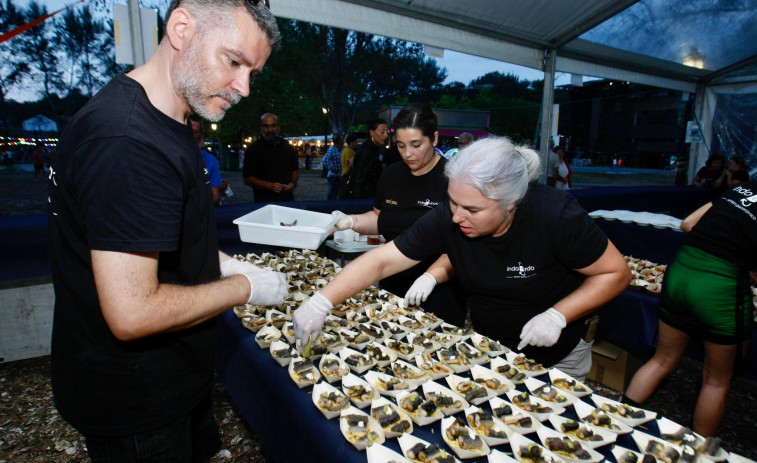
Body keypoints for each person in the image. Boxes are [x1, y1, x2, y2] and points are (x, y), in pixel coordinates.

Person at [46, 1, 287, 461]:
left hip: (175, 377)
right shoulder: (127, 141)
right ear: (181, 28)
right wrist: (242, 286)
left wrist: (221, 261)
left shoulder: (172, 118)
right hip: (135, 398)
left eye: (253, 72)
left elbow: (156, 231)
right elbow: (132, 313)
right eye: (234, 62)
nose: (244, 88)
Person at [295, 137, 630, 378]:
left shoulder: (556, 216)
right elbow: (382, 260)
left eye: (471, 209)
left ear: (510, 203)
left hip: (559, 354)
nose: (457, 217)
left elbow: (615, 273)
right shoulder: (449, 215)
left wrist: (558, 316)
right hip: (492, 345)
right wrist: (321, 302)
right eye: (453, 202)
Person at [625, 181, 757, 436]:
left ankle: (619, 424)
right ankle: (700, 451)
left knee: (662, 360)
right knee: (716, 381)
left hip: (682, 271)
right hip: (719, 284)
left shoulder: (743, 189)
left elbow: (687, 224)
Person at [331, 104, 466, 324]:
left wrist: (431, 277)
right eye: (401, 146)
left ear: (434, 138)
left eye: (416, 145)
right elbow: (380, 218)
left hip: (438, 288)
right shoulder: (392, 174)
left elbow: (461, 244)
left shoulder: (453, 179)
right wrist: (350, 221)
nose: (408, 154)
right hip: (393, 280)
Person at [243, 113, 299, 202]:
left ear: (278, 127)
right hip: (263, 201)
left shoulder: (288, 147)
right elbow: (247, 178)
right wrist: (269, 185)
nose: (270, 130)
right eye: (266, 126)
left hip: (287, 199)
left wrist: (293, 183)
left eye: (273, 126)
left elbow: (294, 169)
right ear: (261, 128)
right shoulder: (253, 150)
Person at [190, 115, 228, 205]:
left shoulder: (210, 160)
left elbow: (215, 198)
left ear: (201, 134)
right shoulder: (171, 156)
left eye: (193, 132)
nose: (189, 135)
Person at [351, 117, 388, 199]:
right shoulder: (367, 151)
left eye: (387, 132)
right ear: (371, 132)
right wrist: (358, 204)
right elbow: (359, 179)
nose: (386, 135)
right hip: (366, 199)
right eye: (382, 132)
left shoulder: (374, 149)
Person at [322, 135, 343, 200]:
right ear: (339, 141)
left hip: (337, 175)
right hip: (333, 175)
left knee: (335, 193)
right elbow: (325, 159)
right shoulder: (332, 149)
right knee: (332, 193)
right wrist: (332, 168)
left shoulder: (337, 149)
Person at [338, 133, 358, 199]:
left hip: (345, 173)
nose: (357, 143)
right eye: (355, 142)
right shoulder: (348, 151)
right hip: (347, 174)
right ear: (351, 142)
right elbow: (350, 164)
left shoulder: (346, 150)